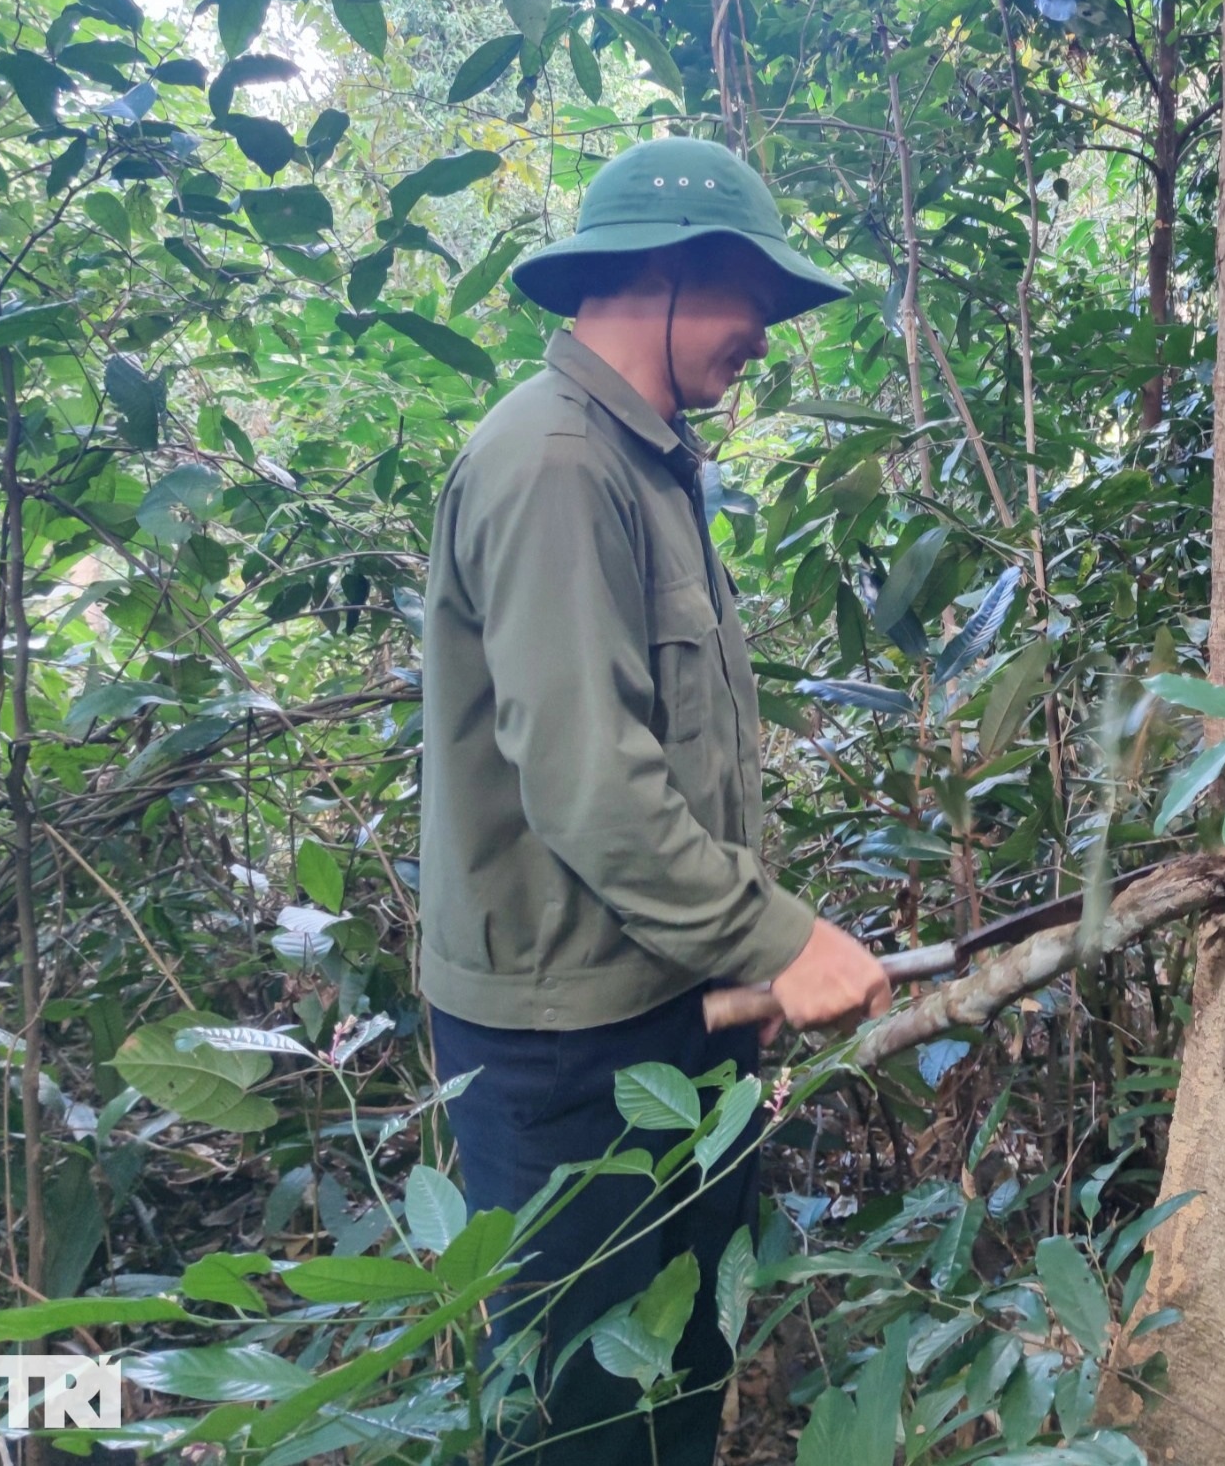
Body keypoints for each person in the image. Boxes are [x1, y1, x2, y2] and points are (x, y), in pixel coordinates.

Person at [416, 135, 892, 1464]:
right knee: (583, 1419)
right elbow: (592, 788)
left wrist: (744, 958)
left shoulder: (652, 460)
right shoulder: (555, 465)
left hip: (673, 1003)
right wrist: (786, 942)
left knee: (681, 1379)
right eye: (756, 304)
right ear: (678, 272)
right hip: (565, 1051)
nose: (763, 340)